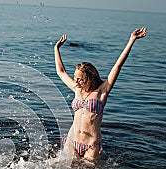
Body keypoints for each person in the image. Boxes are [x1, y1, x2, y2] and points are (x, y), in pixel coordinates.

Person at [55, 27, 147, 161]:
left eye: (80, 78)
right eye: (75, 77)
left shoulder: (102, 91)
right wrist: (56, 49)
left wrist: (131, 40)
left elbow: (117, 66)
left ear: (89, 78)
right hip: (72, 142)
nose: (76, 81)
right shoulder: (77, 89)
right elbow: (61, 72)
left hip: (91, 145)